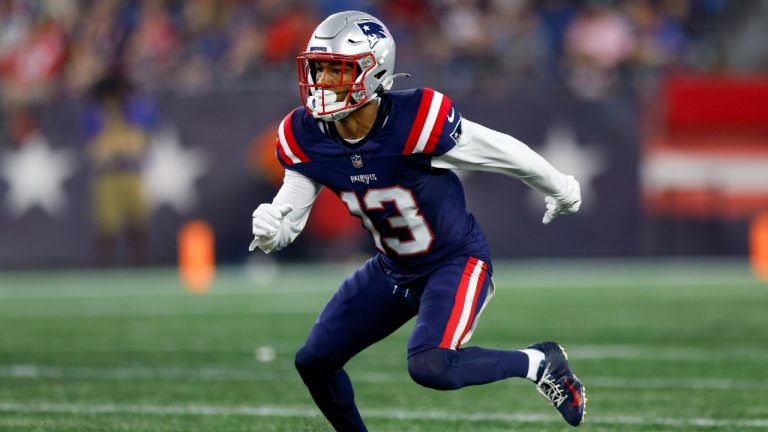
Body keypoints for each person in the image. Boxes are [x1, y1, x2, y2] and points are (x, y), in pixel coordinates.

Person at [249, 11, 587, 430]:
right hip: (392, 269)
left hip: (453, 261)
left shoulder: (417, 120)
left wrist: (559, 185)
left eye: (336, 70)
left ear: (374, 73)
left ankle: (540, 362)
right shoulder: (306, 135)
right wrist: (270, 231)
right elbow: (289, 220)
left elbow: (501, 151)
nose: (321, 82)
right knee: (314, 361)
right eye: (317, 69)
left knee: (431, 366)